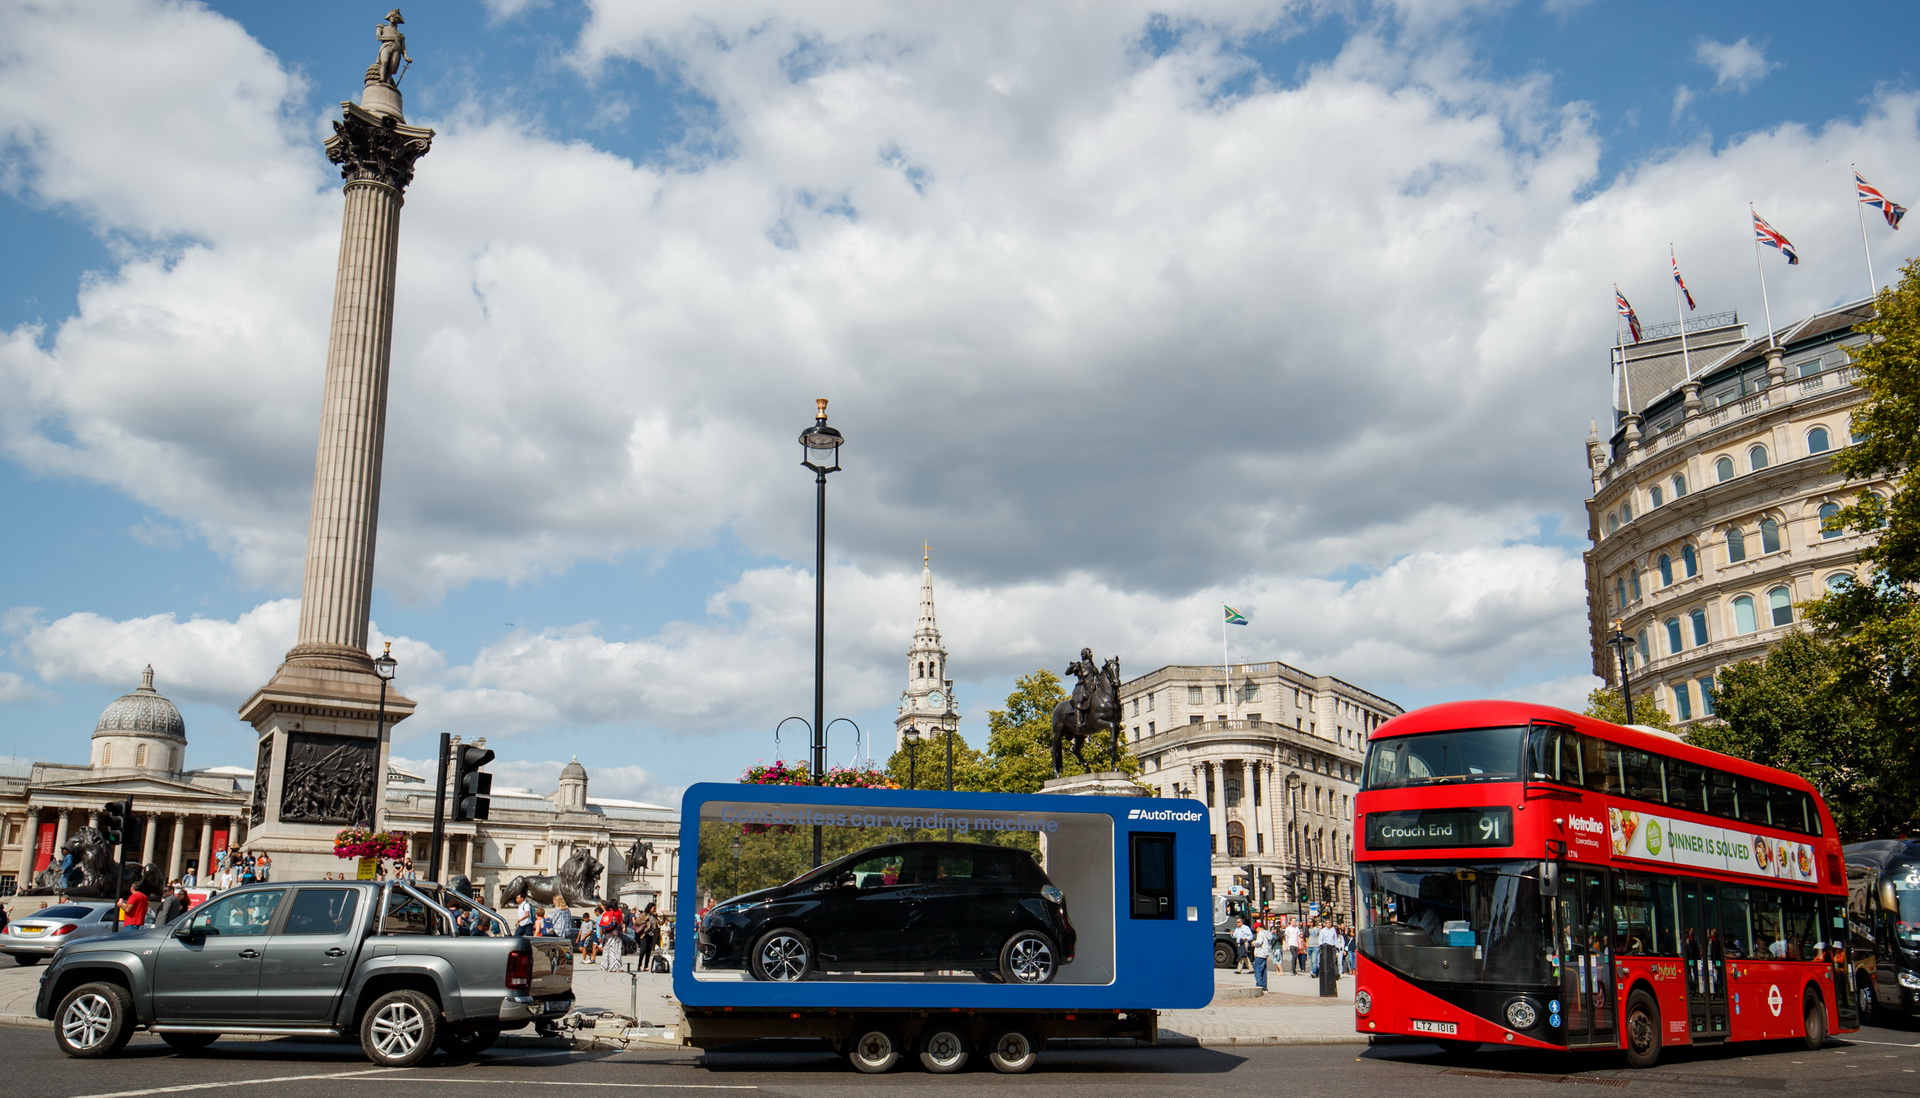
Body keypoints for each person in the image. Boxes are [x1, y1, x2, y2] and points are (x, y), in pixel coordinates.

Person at [599, 904, 626, 971]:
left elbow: (601, 925)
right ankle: (615, 967)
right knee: (616, 950)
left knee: (607, 950)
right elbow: (620, 922)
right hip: (615, 934)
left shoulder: (605, 913)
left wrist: (600, 936)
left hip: (607, 935)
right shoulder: (618, 912)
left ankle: (605, 966)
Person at [635, 902, 660, 971]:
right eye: (653, 908)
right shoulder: (644, 914)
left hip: (651, 935)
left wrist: (664, 916)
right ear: (649, 908)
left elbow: (660, 923)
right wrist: (644, 920)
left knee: (649, 951)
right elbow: (636, 922)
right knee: (642, 950)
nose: (654, 909)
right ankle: (639, 965)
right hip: (644, 935)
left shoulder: (654, 916)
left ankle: (646, 966)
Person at [1251, 920, 1274, 991]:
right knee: (1264, 971)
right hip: (1266, 953)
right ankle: (1264, 986)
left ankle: (1259, 985)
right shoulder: (1267, 933)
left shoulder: (1260, 933)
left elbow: (1259, 942)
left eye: (1255, 929)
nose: (1256, 931)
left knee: (1257, 970)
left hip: (1260, 953)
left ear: (1258, 927)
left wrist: (1253, 942)